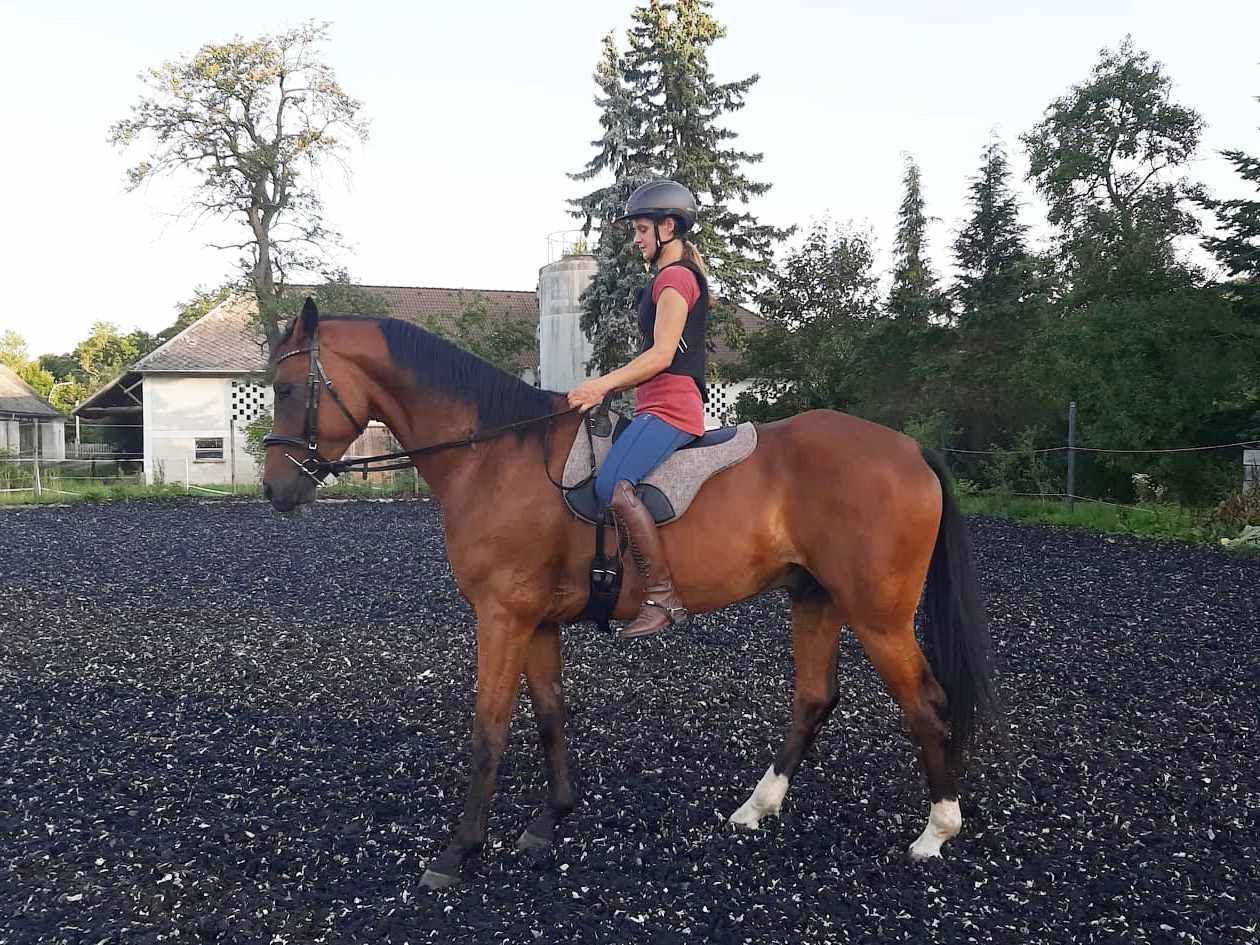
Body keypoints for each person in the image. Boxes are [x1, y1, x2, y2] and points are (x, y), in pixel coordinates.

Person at [568, 179, 710, 638]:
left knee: (613, 483)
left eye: (642, 230)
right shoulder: (668, 278)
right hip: (656, 403)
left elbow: (663, 354)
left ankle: (663, 595)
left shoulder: (675, 278)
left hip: (671, 409)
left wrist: (600, 385)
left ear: (668, 227)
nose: (636, 240)